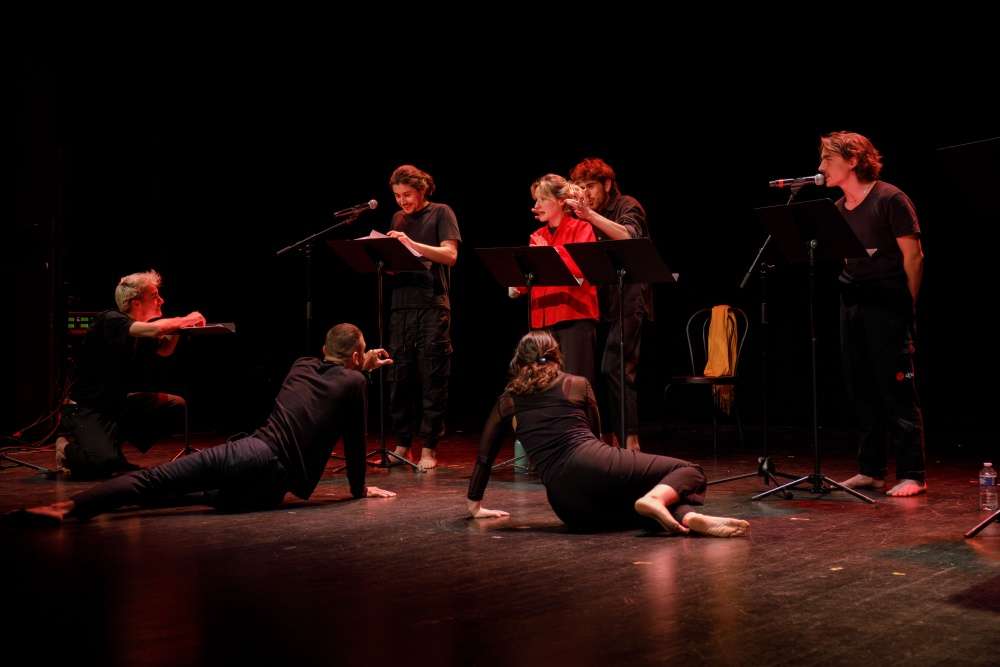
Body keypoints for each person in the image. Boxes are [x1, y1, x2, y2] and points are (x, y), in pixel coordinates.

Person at [21, 323, 396, 523]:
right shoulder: (356, 381)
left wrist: (358, 362)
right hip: (270, 488)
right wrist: (360, 489)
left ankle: (70, 507)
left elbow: (335, 373)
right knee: (181, 494)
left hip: (250, 454)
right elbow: (355, 439)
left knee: (159, 481)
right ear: (359, 354)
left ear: (323, 350)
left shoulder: (301, 365)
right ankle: (95, 508)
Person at [466, 331, 749, 537]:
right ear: (555, 356)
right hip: (592, 462)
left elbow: (484, 455)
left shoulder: (509, 398)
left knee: (637, 508)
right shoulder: (575, 384)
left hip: (570, 509)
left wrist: (475, 506)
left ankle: (689, 517)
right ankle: (659, 501)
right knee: (688, 471)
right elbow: (596, 436)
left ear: (519, 359)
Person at [819, 131, 926, 497]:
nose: (820, 168)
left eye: (827, 160)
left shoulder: (890, 199)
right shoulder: (835, 210)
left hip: (888, 305)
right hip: (852, 303)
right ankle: (871, 470)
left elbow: (913, 256)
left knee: (896, 390)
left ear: (852, 160)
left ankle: (912, 473)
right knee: (860, 387)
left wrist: (905, 304)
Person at [57, 269, 207, 478]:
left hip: (116, 403)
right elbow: (154, 331)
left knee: (174, 405)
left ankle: (113, 452)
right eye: (155, 296)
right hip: (87, 408)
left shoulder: (142, 329)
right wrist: (185, 319)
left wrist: (178, 330)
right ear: (136, 302)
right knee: (101, 464)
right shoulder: (110, 320)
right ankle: (66, 448)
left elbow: (164, 350)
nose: (161, 301)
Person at [568, 158, 651, 451]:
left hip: (628, 297)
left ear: (606, 184)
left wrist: (589, 215)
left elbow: (630, 236)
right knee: (591, 370)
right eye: (579, 188)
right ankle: (602, 440)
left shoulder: (628, 205)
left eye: (589, 186)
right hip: (597, 301)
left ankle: (631, 442)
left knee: (616, 368)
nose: (585, 193)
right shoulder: (583, 215)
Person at [385, 165, 462, 471]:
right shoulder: (398, 218)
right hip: (401, 305)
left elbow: (450, 255)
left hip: (432, 304)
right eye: (397, 196)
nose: (402, 201)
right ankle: (403, 443)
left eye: (407, 194)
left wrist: (411, 245)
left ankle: (429, 447)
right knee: (398, 377)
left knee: (432, 376)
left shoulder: (442, 212)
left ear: (422, 190)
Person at [509, 174, 599, 385]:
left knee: (575, 383)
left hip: (574, 316)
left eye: (542, 199)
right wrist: (518, 282)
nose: (537, 205)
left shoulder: (582, 228)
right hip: (542, 320)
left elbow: (582, 269)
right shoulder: (537, 235)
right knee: (542, 383)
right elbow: (532, 277)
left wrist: (548, 254)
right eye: (535, 200)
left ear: (560, 201)